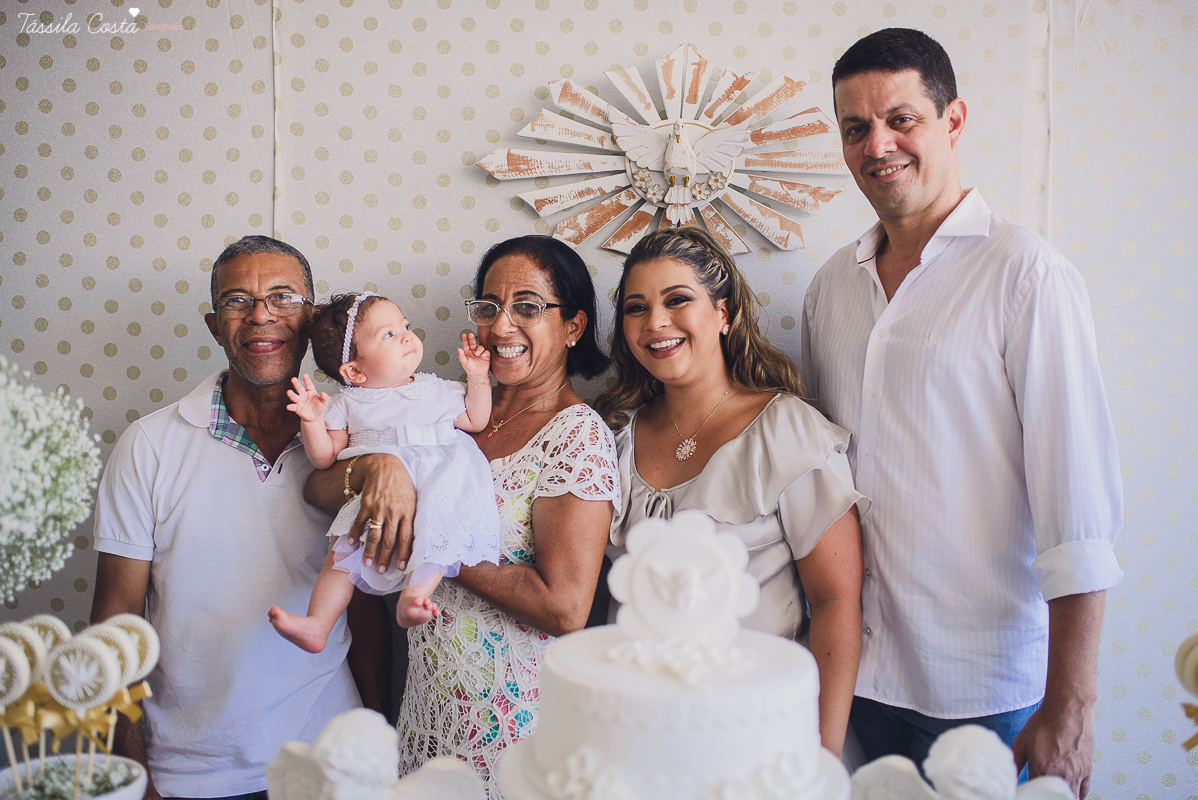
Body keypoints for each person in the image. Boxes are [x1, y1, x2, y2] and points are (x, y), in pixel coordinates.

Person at [799, 28, 1123, 797]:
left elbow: (1078, 510)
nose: (877, 145)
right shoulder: (829, 289)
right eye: (855, 128)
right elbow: (817, 481)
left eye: (901, 119)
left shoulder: (1027, 275)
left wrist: (1071, 703)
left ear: (954, 119)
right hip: (854, 676)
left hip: (986, 688)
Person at [303, 235, 620, 798]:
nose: (500, 326)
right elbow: (317, 485)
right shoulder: (446, 404)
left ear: (573, 326)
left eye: (528, 307)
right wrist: (377, 468)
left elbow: (565, 608)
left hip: (516, 725)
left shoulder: (577, 435)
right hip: (428, 709)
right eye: (489, 307)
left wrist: (429, 535)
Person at [89, 236, 390, 800]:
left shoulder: (358, 438)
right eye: (237, 301)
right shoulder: (149, 446)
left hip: (331, 761)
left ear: (312, 319)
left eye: (283, 297)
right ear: (214, 325)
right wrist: (132, 777)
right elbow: (115, 622)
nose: (260, 315)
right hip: (189, 772)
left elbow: (367, 602)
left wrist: (380, 741)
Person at [595, 226, 867, 756]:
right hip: (635, 734)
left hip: (758, 733)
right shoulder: (613, 437)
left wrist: (821, 755)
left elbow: (836, 600)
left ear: (724, 313)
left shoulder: (786, 431)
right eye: (636, 308)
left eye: (677, 300)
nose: (655, 322)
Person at [269, 291, 500, 647]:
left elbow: (475, 419)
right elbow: (325, 458)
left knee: (436, 539)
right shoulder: (348, 403)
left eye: (405, 326)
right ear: (354, 371)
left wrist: (478, 377)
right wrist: (311, 421)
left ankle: (414, 597)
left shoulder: (435, 388)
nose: (407, 336)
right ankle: (318, 623)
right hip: (378, 496)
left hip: (440, 480)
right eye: (389, 334)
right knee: (341, 554)